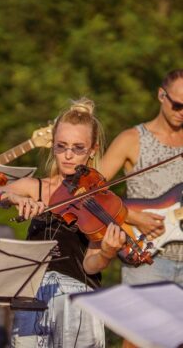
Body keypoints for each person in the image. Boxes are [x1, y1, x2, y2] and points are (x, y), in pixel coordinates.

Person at [0, 98, 126, 347]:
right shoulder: (36, 187)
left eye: (78, 148)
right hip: (32, 296)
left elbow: (90, 265)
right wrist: (8, 196)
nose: (67, 155)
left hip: (77, 298)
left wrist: (106, 254)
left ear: (93, 150)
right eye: (61, 146)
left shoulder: (98, 200)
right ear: (52, 145)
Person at [100, 71, 183, 347]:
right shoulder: (132, 139)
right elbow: (90, 191)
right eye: (178, 105)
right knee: (140, 340)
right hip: (147, 259)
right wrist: (133, 216)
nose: (182, 113)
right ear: (161, 95)